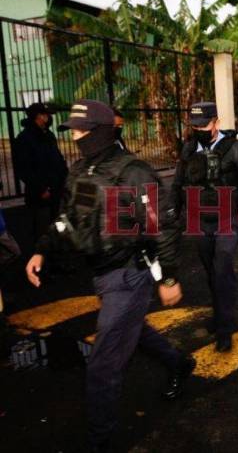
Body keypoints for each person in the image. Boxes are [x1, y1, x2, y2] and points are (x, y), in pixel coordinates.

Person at [24, 99, 193, 452]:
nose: (77, 137)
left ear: (102, 131)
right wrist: (41, 248)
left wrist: (168, 278)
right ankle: (180, 362)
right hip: (102, 276)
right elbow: (66, 219)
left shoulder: (133, 172)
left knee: (102, 365)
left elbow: (160, 227)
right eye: (74, 131)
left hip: (129, 276)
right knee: (135, 331)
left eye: (83, 131)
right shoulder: (81, 171)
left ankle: (100, 441)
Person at [172, 101, 238, 352]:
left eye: (205, 124)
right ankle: (218, 315)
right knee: (211, 272)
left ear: (217, 123)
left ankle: (225, 328)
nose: (200, 129)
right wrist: (172, 219)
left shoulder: (234, 148)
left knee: (222, 271)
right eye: (195, 125)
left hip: (226, 221)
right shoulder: (188, 149)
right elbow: (177, 185)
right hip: (200, 221)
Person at [12, 102, 68, 246]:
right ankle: (42, 261)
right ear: (39, 117)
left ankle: (59, 257)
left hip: (56, 190)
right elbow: (23, 169)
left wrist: (65, 178)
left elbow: (57, 159)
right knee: (42, 230)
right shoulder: (24, 139)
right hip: (40, 195)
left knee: (59, 226)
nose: (49, 118)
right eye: (47, 114)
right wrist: (41, 189)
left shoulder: (48, 135)